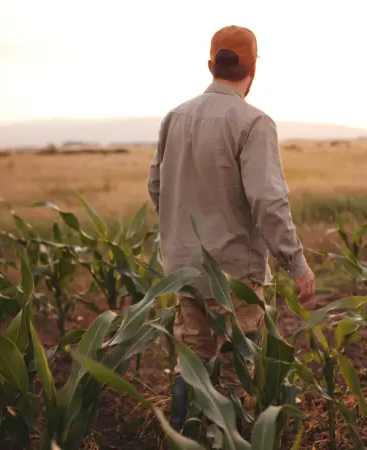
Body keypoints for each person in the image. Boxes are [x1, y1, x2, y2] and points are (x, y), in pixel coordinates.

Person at [147, 25, 315, 434]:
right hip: (234, 277)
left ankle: (184, 440)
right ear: (253, 69)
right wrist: (296, 263)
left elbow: (156, 186)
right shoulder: (254, 122)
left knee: (191, 362)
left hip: (183, 270)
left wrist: (180, 239)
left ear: (210, 65)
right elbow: (268, 201)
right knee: (236, 368)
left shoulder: (175, 117)